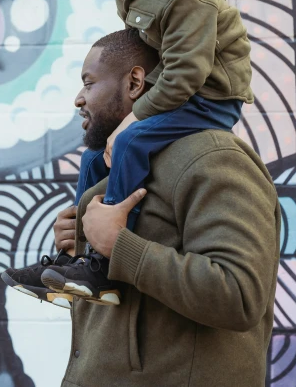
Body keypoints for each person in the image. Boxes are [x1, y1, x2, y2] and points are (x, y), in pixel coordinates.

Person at [2, 0, 254, 306]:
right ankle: (76, 259)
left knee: (130, 140)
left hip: (210, 98)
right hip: (178, 91)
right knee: (93, 154)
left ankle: (106, 259)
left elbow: (186, 74)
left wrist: (132, 119)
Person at [62, 30, 278, 386]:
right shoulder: (125, 166)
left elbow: (238, 296)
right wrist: (80, 249)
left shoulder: (212, 158)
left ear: (134, 82)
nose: (78, 99)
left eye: (88, 83)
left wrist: (118, 246)